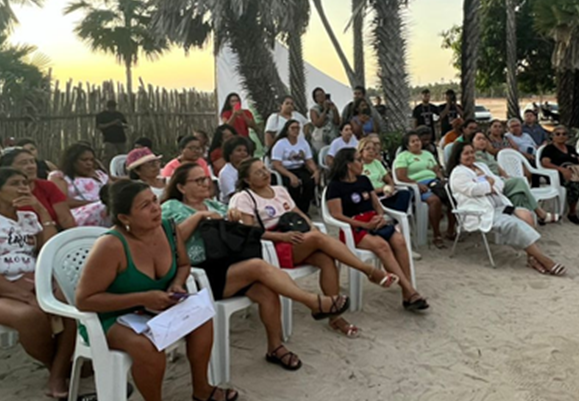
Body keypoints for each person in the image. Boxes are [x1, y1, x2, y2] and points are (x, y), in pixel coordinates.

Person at [76, 180, 240, 401]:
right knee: (146, 345)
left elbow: (184, 264)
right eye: (145, 206)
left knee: (202, 317)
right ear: (124, 217)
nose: (155, 208)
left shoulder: (168, 229)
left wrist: (175, 284)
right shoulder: (111, 245)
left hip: (157, 306)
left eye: (154, 201)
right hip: (112, 317)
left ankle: (201, 390)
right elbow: (84, 300)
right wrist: (143, 297)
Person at [161, 165, 352, 374]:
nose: (205, 183)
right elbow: (171, 239)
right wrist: (199, 217)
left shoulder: (214, 204)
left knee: (266, 290)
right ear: (180, 186)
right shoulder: (172, 207)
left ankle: (275, 347)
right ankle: (313, 302)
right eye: (198, 181)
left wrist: (232, 219)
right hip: (199, 273)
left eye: (205, 179)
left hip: (228, 265)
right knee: (259, 267)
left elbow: (241, 232)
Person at [0, 168, 81, 401]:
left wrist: (42, 211)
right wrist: (26, 296)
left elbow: (48, 251)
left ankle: (58, 372)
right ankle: (60, 370)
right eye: (15, 183)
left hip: (28, 281)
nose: (24, 187)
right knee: (29, 315)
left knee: (68, 301)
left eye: (25, 182)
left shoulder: (29, 218)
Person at [229, 159, 398, 337]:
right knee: (318, 238)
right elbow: (249, 232)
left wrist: (310, 226)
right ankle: (369, 271)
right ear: (247, 180)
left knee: (326, 259)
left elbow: (299, 214)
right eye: (258, 172)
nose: (265, 173)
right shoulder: (244, 198)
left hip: (295, 237)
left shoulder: (279, 191)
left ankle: (335, 315)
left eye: (264, 168)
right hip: (273, 245)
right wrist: (281, 236)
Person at [325, 148, 427, 310]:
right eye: (358, 160)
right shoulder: (335, 186)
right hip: (354, 227)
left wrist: (380, 216)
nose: (362, 163)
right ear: (348, 165)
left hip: (373, 220)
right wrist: (364, 225)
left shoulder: (364, 180)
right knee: (382, 246)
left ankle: (407, 292)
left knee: (399, 241)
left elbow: (376, 204)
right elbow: (336, 215)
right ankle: (410, 292)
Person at [447, 141, 566, 276]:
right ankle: (544, 259)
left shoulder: (481, 166)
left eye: (472, 152)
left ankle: (531, 258)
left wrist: (489, 185)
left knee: (526, 215)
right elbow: (473, 190)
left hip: (500, 205)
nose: (470, 156)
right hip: (481, 212)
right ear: (458, 157)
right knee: (513, 224)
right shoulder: (458, 173)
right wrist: (488, 184)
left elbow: (499, 183)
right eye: (466, 153)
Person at [471, 132, 558, 225]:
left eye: (484, 139)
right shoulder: (472, 156)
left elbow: (499, 169)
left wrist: (507, 177)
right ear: (472, 142)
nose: (482, 141)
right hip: (491, 184)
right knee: (519, 182)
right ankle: (541, 214)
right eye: (478, 139)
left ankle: (522, 224)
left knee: (518, 195)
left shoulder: (488, 155)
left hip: (500, 180)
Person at [0, 149, 74, 229]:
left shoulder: (47, 186)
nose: (31, 166)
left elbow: (66, 219)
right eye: (23, 163)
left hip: (49, 239)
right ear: (7, 168)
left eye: (32, 162)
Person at [394, 131, 452, 248]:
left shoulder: (427, 154)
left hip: (434, 182)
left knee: (452, 196)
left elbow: (436, 170)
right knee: (434, 201)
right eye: (413, 141)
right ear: (407, 145)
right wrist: (416, 184)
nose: (417, 143)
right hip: (415, 186)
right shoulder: (403, 157)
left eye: (418, 140)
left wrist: (441, 178)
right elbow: (401, 176)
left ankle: (451, 230)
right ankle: (437, 235)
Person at [539, 126, 579, 225]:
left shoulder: (570, 148)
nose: (561, 136)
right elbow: (545, 163)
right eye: (558, 134)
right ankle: (572, 213)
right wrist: (561, 169)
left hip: (576, 172)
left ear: (567, 137)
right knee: (573, 186)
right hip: (559, 174)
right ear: (553, 136)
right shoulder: (549, 149)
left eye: (564, 134)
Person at [49, 142, 110, 227]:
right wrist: (95, 203)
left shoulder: (99, 175)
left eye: (92, 160)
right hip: (77, 214)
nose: (89, 163)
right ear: (72, 161)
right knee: (106, 208)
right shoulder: (60, 177)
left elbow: (114, 191)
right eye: (84, 160)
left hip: (105, 210)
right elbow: (62, 202)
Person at [269, 119, 318, 214]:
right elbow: (276, 164)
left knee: (309, 182)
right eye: (293, 128)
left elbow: (309, 160)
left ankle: (304, 210)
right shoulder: (280, 144)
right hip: (285, 170)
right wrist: (290, 175)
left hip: (300, 168)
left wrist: (315, 171)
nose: (296, 130)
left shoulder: (303, 142)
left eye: (298, 128)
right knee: (293, 185)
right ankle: (294, 210)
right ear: (287, 130)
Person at [359, 138, 413, 214]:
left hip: (385, 192)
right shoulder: (358, 166)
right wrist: (381, 189)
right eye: (368, 149)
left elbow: (389, 180)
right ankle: (399, 218)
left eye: (373, 149)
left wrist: (390, 188)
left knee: (406, 193)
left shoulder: (377, 163)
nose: (371, 151)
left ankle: (399, 216)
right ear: (361, 151)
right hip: (373, 196)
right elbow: (362, 190)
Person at [217, 137, 253, 202]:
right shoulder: (225, 173)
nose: (243, 153)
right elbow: (233, 196)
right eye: (239, 150)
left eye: (245, 151)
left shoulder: (250, 168)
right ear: (230, 155)